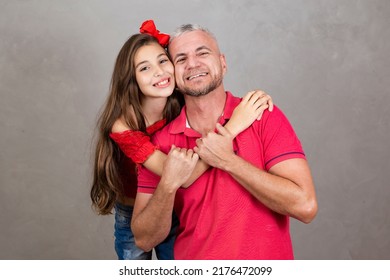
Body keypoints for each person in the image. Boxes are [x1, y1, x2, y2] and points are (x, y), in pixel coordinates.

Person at [132, 23, 318, 260]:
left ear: (223, 63)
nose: (193, 64)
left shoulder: (262, 115)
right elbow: (144, 239)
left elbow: (306, 207)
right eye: (180, 59)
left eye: (202, 53)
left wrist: (229, 161)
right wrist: (169, 184)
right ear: (173, 76)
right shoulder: (161, 143)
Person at [90, 20, 274, 260]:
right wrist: (235, 126)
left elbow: (216, 102)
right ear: (131, 79)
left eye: (163, 61)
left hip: (175, 205)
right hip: (135, 210)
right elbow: (179, 175)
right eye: (144, 68)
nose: (158, 72)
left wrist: (253, 102)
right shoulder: (124, 125)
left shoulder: (179, 104)